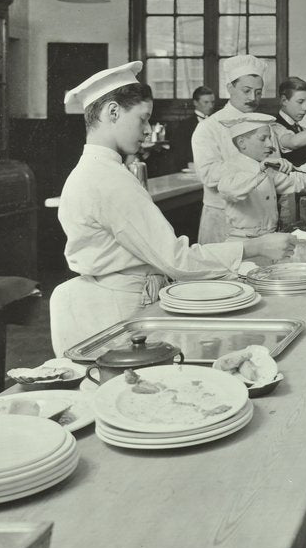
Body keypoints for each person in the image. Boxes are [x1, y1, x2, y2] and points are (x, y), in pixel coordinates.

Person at [49, 61, 293, 355]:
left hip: (112, 301)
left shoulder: (91, 171)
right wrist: (255, 247)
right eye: (142, 119)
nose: (148, 129)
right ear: (112, 112)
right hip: (119, 311)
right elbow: (176, 260)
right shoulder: (110, 180)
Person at [192, 55, 269, 243]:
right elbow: (209, 175)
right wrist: (254, 167)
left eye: (258, 92)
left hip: (261, 218)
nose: (253, 98)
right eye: (246, 91)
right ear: (229, 89)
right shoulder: (209, 127)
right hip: (224, 221)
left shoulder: (264, 124)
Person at [216, 113, 306, 239]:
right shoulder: (231, 166)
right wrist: (260, 169)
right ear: (242, 143)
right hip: (244, 240)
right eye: (263, 138)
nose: (270, 144)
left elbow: (294, 182)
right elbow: (230, 190)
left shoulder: (266, 167)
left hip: (269, 236)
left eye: (270, 138)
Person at [171, 85, 215, 166]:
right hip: (191, 167)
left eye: (212, 102)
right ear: (195, 103)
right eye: (206, 102)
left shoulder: (216, 123)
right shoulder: (184, 126)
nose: (211, 106)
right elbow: (179, 153)